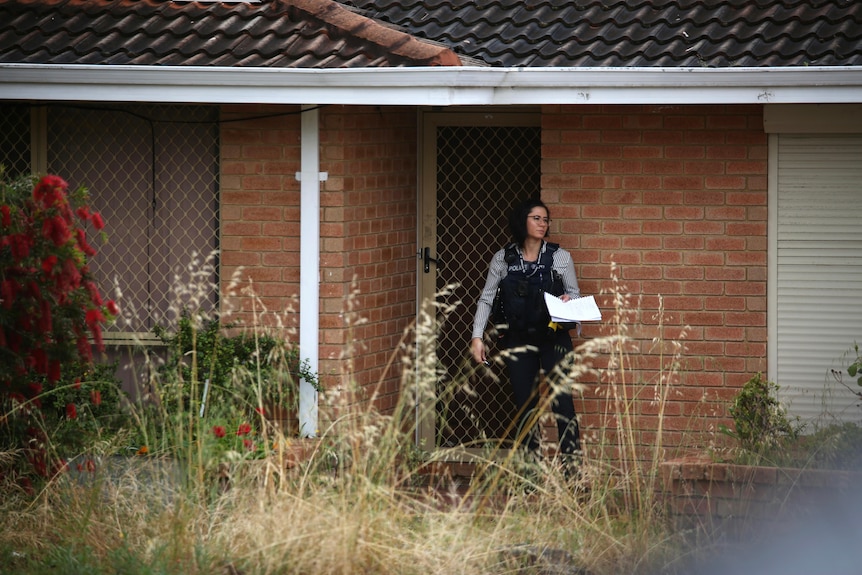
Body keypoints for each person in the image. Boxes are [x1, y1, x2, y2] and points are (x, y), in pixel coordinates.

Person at [470, 198, 581, 468]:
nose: (543, 224)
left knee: (563, 404)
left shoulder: (560, 257)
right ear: (523, 221)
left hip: (553, 339)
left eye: (546, 220)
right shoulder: (503, 258)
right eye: (537, 218)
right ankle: (532, 475)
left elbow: (574, 294)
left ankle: (573, 475)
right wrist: (477, 336)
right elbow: (486, 299)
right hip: (518, 341)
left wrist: (568, 300)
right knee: (526, 408)